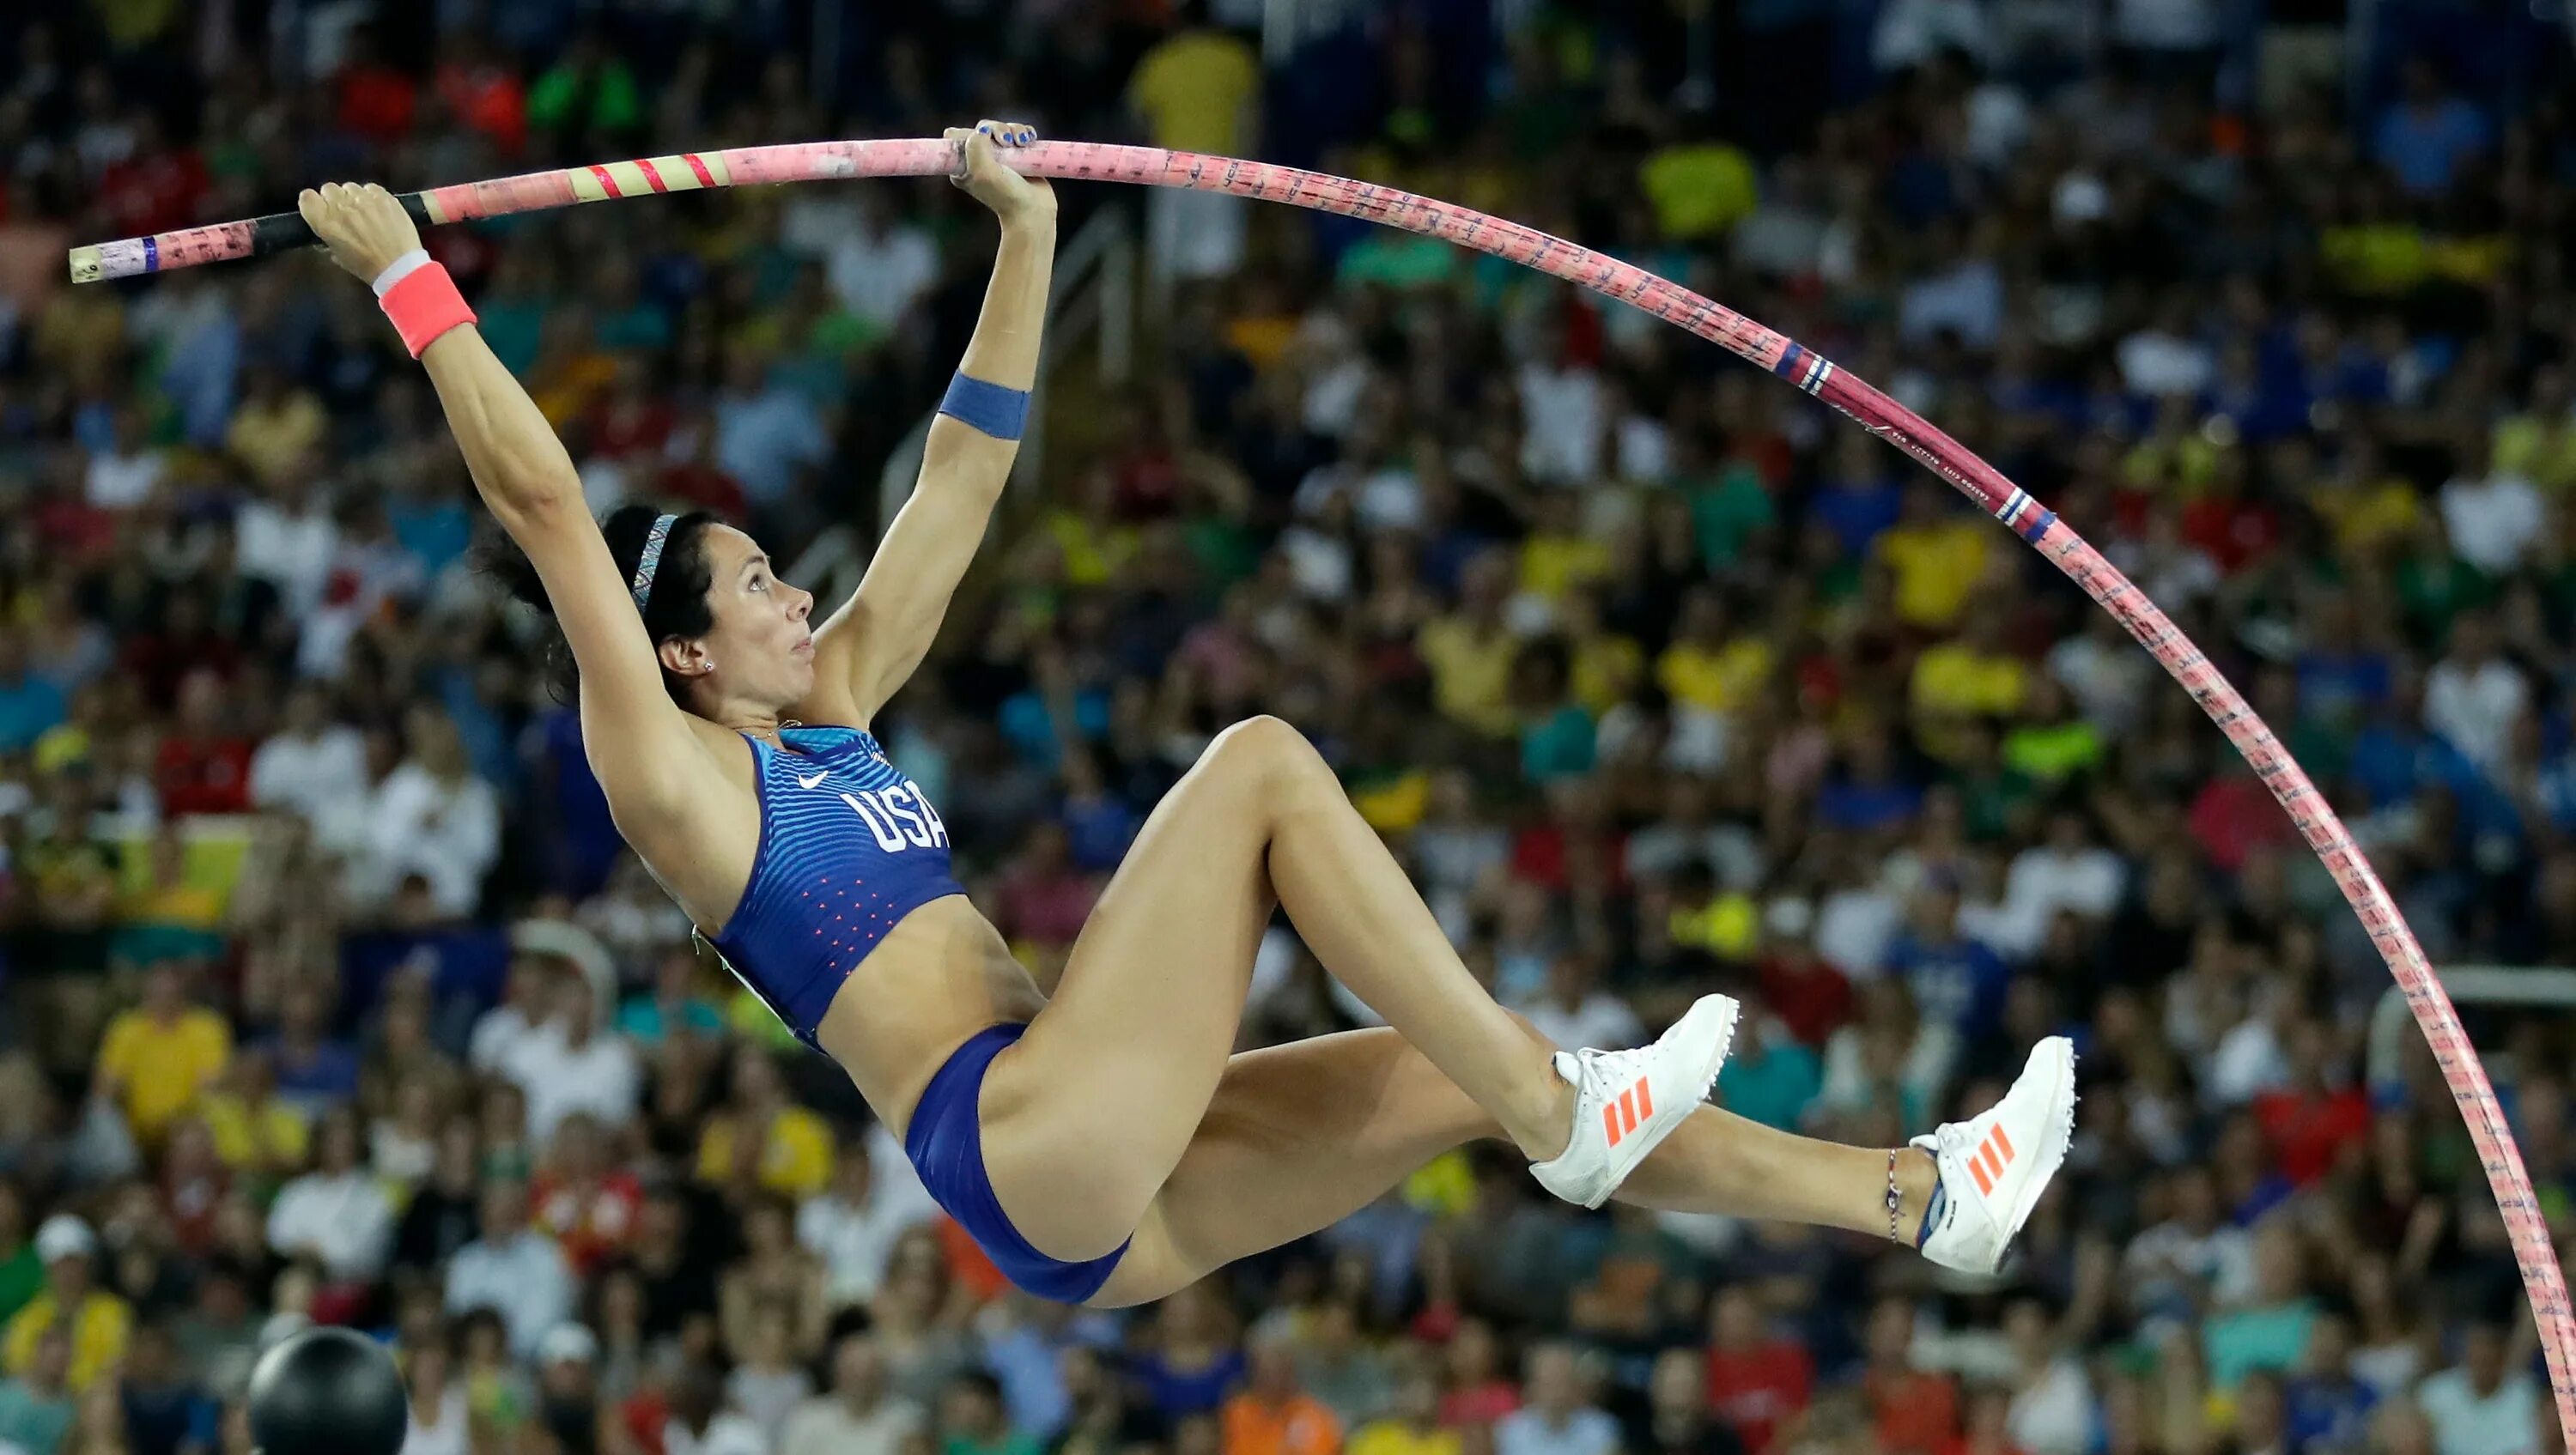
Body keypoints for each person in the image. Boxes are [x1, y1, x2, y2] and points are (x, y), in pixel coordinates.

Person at [291, 119, 2073, 1311]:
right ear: (682, 653)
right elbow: (544, 510)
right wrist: (405, 280)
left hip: (1091, 1173)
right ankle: (1563, 1103)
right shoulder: (670, 778)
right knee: (1259, 768)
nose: (786, 595)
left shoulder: (826, 704)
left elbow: (968, 476)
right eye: (752, 582)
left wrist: (1031, 233)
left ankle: (1917, 1197)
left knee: (1469, 1088)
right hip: (1019, 1132)